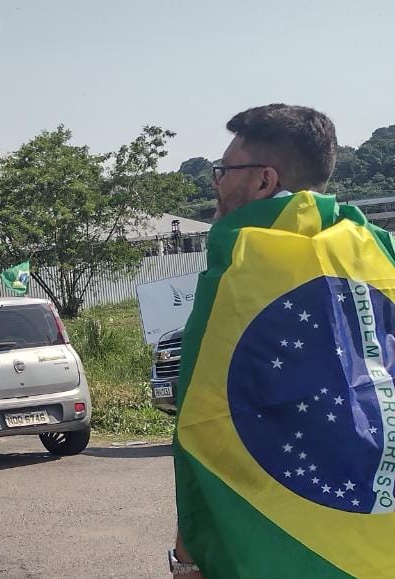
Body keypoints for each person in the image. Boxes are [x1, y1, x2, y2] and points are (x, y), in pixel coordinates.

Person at [172, 104, 355, 577]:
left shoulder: (242, 265)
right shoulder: (373, 250)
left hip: (275, 542)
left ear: (262, 181)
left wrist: (186, 557)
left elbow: (203, 423)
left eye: (224, 170)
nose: (217, 182)